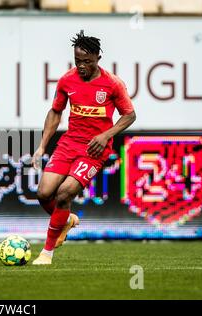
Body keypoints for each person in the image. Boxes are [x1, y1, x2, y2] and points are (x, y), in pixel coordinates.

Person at [31, 30, 137, 265]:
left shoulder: (112, 84)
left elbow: (129, 115)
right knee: (43, 193)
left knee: (64, 193)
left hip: (94, 150)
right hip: (69, 143)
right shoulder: (67, 80)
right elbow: (56, 112)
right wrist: (41, 147)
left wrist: (105, 135)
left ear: (98, 58)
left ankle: (46, 253)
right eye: (77, 61)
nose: (81, 66)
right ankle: (65, 220)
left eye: (86, 62)